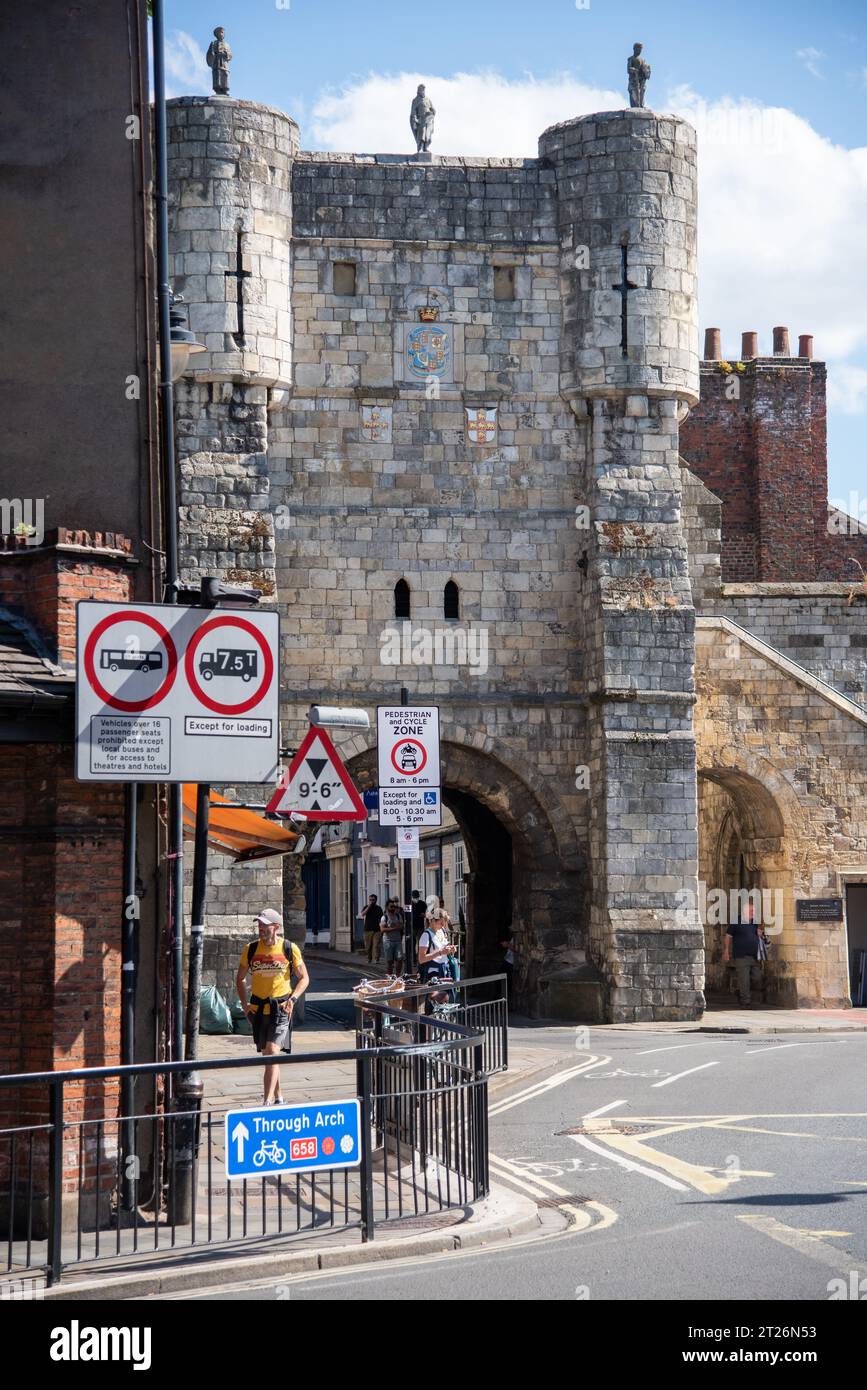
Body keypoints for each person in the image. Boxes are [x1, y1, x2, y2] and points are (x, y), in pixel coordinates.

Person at [236, 909, 308, 1105]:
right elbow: (240, 978)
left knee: (272, 1052)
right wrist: (244, 1005)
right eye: (259, 924)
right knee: (269, 1056)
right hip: (258, 1010)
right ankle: (279, 1097)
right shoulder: (250, 949)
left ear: (276, 926)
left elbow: (304, 978)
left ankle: (266, 1104)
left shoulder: (289, 948)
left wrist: (292, 1000)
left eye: (264, 925)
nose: (260, 928)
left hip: (281, 1009)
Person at [723, 900, 766, 1007]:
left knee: (757, 977)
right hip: (741, 956)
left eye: (754, 911)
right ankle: (745, 1001)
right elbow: (728, 936)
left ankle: (740, 991)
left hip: (754, 956)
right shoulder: (736, 921)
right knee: (744, 980)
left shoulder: (755, 922)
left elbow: (761, 937)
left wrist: (760, 934)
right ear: (744, 911)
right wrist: (726, 950)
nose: (753, 912)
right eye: (751, 911)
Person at [417, 906, 457, 1009]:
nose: (443, 925)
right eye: (441, 922)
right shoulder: (426, 935)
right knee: (434, 1004)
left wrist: (450, 950)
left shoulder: (442, 931)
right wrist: (440, 952)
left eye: (444, 922)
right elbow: (421, 959)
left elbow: (444, 948)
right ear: (432, 921)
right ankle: (429, 1022)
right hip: (433, 974)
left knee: (445, 1001)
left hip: (445, 971)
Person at [380, 898, 405, 975]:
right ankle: (390, 977)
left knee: (400, 959)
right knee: (389, 961)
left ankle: (398, 976)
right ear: (387, 907)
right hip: (388, 941)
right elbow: (382, 929)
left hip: (397, 941)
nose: (393, 908)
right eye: (391, 906)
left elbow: (401, 926)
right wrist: (394, 928)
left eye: (394, 907)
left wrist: (397, 927)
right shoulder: (384, 917)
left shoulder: (398, 916)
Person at [363, 894, 384, 964]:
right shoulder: (366, 907)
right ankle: (369, 958)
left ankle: (376, 959)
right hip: (367, 929)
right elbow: (363, 914)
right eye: (370, 900)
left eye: (373, 900)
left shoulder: (378, 908)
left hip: (377, 930)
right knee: (368, 946)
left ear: (376, 900)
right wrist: (369, 907)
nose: (372, 901)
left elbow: (381, 919)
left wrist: (382, 928)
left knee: (376, 945)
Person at [499, 928, 515, 1004]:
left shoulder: (517, 937)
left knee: (505, 984)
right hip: (507, 961)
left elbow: (518, 949)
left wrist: (507, 945)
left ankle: (505, 1003)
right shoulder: (513, 937)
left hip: (510, 963)